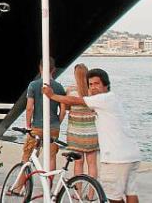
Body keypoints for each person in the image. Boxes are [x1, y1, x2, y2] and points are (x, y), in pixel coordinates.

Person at [43, 69, 140, 203]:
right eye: (91, 84)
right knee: (131, 193)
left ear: (106, 85)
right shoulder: (111, 98)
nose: (93, 87)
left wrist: (52, 95)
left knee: (113, 197)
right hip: (131, 155)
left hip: (116, 158)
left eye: (97, 84)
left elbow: (75, 100)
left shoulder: (103, 99)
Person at [22, 57, 66, 173]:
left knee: (27, 155)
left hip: (37, 126)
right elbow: (63, 111)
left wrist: (28, 125)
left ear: (40, 68)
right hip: (53, 127)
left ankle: (22, 182)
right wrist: (57, 122)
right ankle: (49, 182)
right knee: (51, 157)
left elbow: (29, 108)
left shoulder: (33, 85)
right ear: (54, 69)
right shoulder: (59, 87)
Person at [65, 63, 99, 179]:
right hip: (91, 132)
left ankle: (77, 189)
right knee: (92, 163)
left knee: (78, 163)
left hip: (75, 132)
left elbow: (67, 108)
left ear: (75, 74)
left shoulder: (70, 90)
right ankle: (92, 189)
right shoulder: (93, 91)